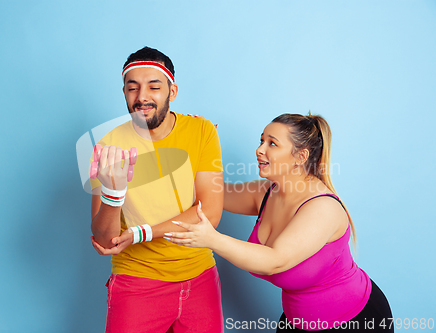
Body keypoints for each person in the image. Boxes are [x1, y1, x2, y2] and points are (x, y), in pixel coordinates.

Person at [165, 113, 393, 332]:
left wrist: (212, 239)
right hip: (297, 321)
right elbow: (211, 194)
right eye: (261, 140)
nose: (259, 150)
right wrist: (198, 145)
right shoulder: (265, 192)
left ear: (300, 157)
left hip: (354, 321)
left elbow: (275, 261)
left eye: (272, 144)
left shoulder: (322, 208)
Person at [89, 46, 224, 333]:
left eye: (154, 86)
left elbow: (209, 214)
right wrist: (114, 194)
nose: (142, 97)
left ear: (172, 91)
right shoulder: (107, 146)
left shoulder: (202, 132)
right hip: (137, 283)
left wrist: (142, 232)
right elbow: (105, 240)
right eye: (132, 88)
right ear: (124, 92)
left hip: (199, 276)